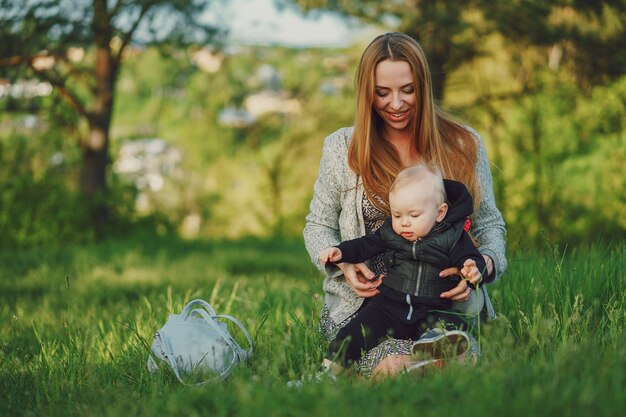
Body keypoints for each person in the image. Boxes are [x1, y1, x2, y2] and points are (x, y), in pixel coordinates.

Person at [303, 32, 507, 379]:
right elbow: (317, 225)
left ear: (423, 87)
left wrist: (484, 264)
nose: (395, 103)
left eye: (407, 90)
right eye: (382, 93)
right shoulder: (341, 147)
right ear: (367, 93)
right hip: (368, 308)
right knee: (393, 366)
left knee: (451, 357)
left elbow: (490, 225)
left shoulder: (464, 144)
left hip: (444, 307)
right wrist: (343, 265)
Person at [318, 163, 485, 375]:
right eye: (397, 215)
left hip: (432, 308)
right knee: (352, 334)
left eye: (414, 216)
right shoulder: (391, 232)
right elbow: (365, 245)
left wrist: (473, 270)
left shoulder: (452, 237)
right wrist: (341, 252)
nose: (404, 223)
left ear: (440, 212)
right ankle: (325, 375)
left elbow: (471, 258)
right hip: (388, 306)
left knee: (452, 323)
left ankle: (434, 344)